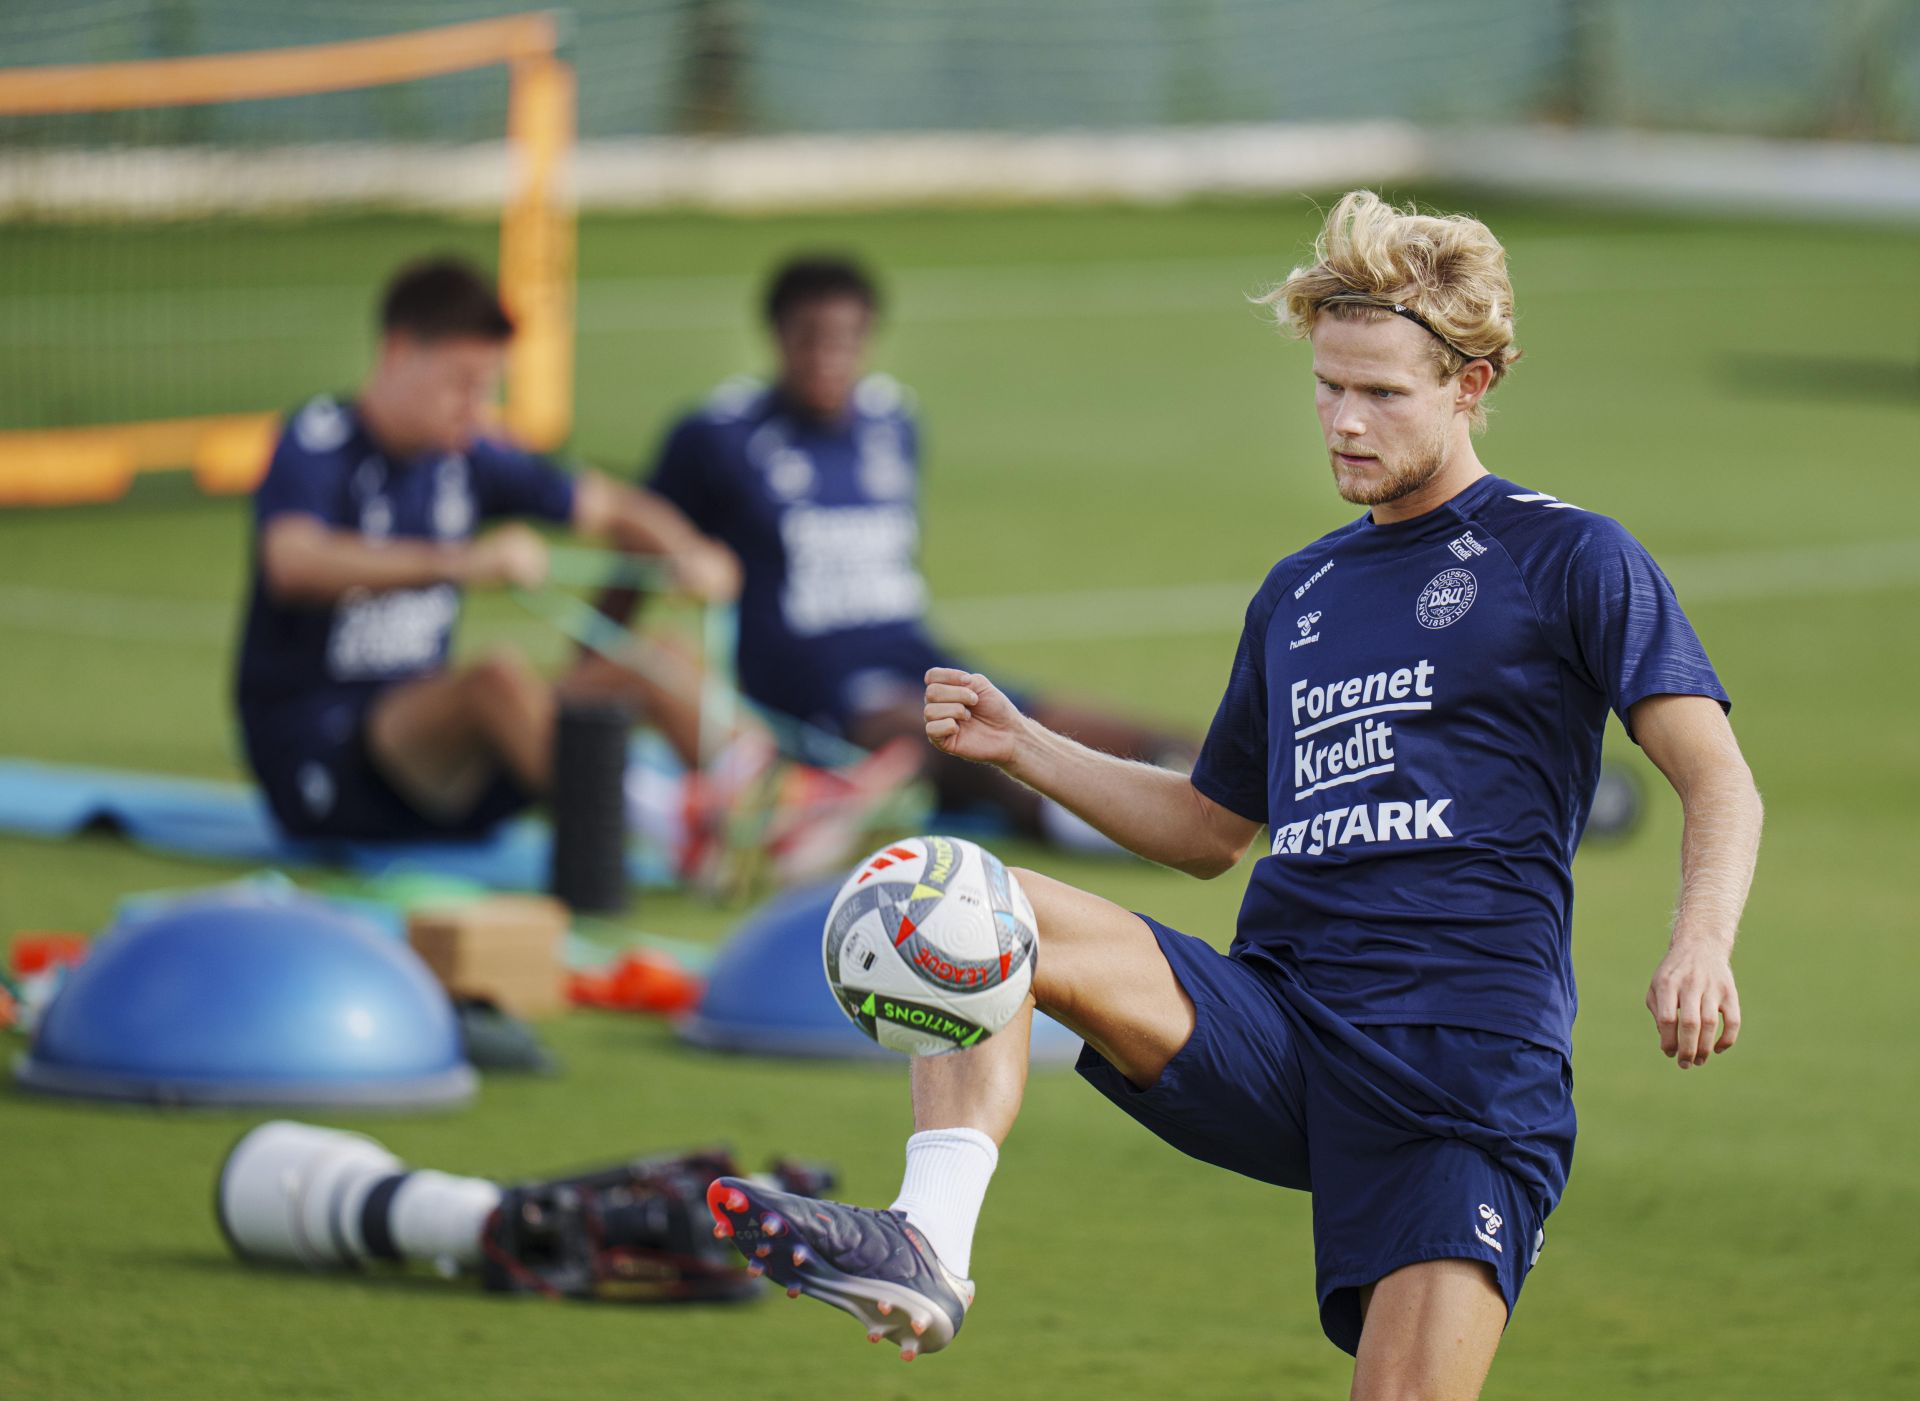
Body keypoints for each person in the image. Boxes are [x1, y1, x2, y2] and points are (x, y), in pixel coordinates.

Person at [705, 193, 1764, 1394]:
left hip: (1459, 1073)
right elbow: (1213, 831)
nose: (1345, 424)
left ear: (1473, 383)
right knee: (969, 897)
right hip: (1281, 1023)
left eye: (1383, 395)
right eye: (1328, 388)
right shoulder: (1301, 593)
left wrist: (1701, 944)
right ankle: (929, 1241)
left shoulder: (1569, 556)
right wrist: (1026, 748)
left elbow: (1717, 778)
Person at [234, 256, 906, 874]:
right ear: (399, 352)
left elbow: (611, 505)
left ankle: (779, 800)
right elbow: (293, 562)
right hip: (327, 766)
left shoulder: (464, 455)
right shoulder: (317, 441)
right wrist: (463, 561)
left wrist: (686, 553)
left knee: (652, 654)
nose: (474, 409)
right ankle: (674, 824)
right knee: (493, 674)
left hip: (456, 770)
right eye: (462, 385)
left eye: (486, 388)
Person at [623, 254, 1193, 853]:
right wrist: (601, 645)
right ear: (777, 337)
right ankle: (1135, 831)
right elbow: (637, 536)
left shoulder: (893, 422)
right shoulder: (718, 437)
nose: (828, 356)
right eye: (810, 338)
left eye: (846, 339)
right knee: (972, 749)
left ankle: (1246, 796)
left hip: (921, 661)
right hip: (823, 700)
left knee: (1114, 732)